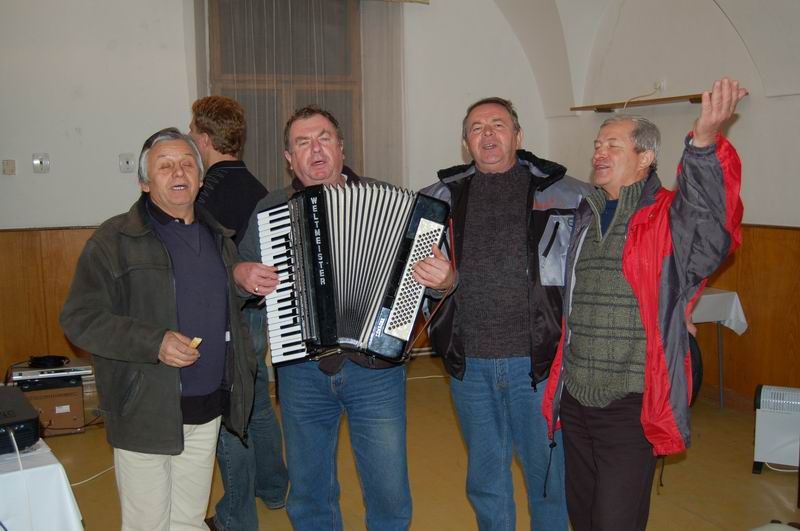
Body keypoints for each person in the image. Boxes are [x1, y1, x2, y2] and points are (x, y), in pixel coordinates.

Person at [541, 78, 746, 530]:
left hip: (631, 402)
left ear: (646, 157)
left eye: (613, 145)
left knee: (615, 520)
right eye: (597, 145)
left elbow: (713, 225)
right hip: (576, 397)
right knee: (583, 518)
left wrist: (703, 145)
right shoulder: (586, 214)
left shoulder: (667, 217)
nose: (599, 152)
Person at [60, 128, 256, 531]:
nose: (178, 172)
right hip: (145, 409)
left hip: (206, 405)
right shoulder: (114, 239)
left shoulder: (218, 237)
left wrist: (239, 282)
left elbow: (215, 306)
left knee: (188, 520)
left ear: (200, 179)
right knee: (148, 524)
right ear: (145, 182)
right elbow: (80, 319)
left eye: (187, 164)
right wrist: (155, 342)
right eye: (165, 166)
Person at [413, 97, 591, 530]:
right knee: (486, 480)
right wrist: (442, 283)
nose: (488, 134)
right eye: (477, 128)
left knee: (547, 477)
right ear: (465, 143)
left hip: (539, 364)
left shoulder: (568, 195)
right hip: (469, 364)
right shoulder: (436, 201)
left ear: (518, 136)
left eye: (498, 124)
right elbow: (414, 280)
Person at [234, 105, 413, 531]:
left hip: (376, 367)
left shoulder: (388, 200)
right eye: (303, 142)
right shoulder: (271, 209)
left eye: (324, 138)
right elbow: (239, 273)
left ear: (341, 148)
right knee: (310, 492)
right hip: (301, 370)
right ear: (289, 158)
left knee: (388, 489)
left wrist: (440, 281)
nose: (315, 150)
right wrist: (241, 276)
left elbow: (425, 280)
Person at [189, 95, 289, 531]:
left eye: (192, 131)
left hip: (226, 316)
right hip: (260, 310)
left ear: (204, 138)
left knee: (232, 412)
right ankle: (275, 487)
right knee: (258, 404)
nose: (191, 137)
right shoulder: (259, 187)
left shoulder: (203, 196)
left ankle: (234, 516)